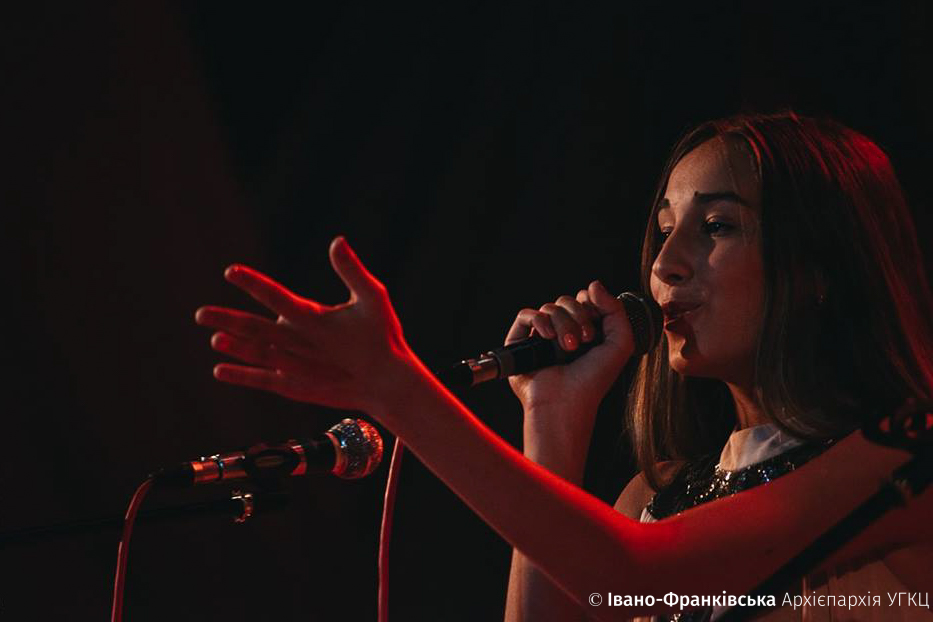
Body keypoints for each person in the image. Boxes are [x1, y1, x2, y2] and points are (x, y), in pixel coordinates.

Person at [194, 111, 933, 621]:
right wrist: (551, 418)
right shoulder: (655, 498)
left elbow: (637, 574)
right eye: (664, 229)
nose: (665, 265)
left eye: (716, 226)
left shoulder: (907, 459)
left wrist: (400, 391)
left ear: (818, 267)